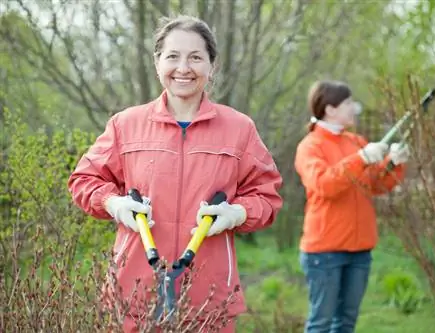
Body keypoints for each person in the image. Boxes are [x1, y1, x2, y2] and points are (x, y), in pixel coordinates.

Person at [67, 15, 283, 333]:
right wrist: (113, 203)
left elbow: (267, 196)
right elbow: (83, 181)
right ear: (157, 63)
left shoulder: (239, 129)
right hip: (133, 293)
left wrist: (238, 212)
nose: (184, 68)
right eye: (173, 56)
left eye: (196, 57)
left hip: (209, 298)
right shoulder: (125, 124)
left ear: (213, 67)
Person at [294, 80, 409, 333]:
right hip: (324, 252)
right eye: (348, 103)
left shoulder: (356, 141)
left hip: (360, 250)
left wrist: (393, 163)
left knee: (346, 323)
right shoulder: (310, 146)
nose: (354, 108)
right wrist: (361, 159)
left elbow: (376, 185)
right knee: (321, 323)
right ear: (330, 109)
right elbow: (324, 184)